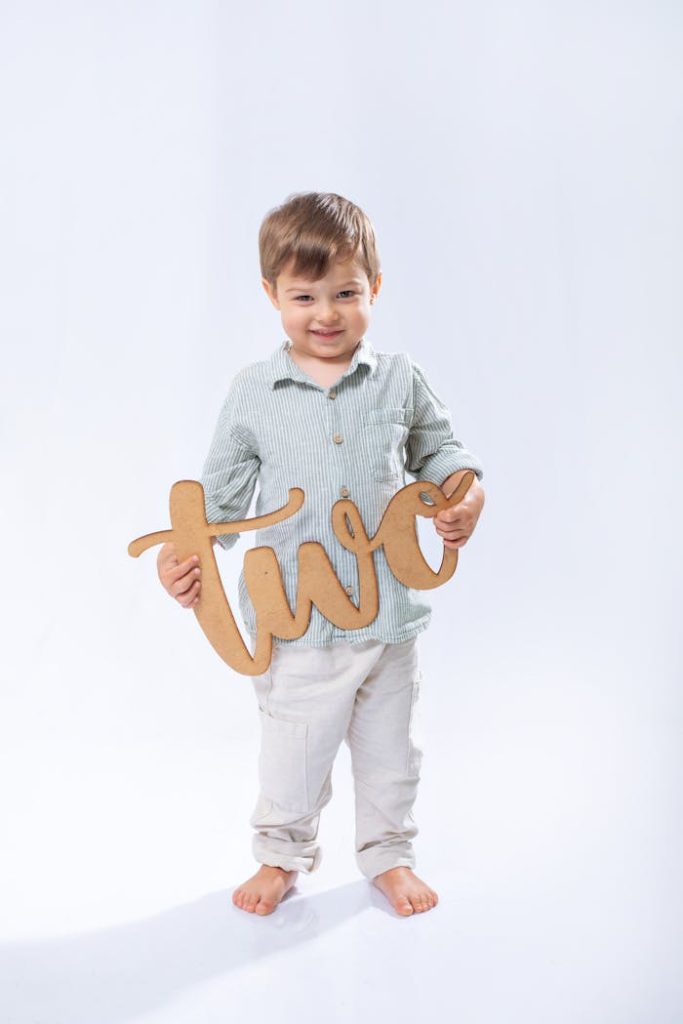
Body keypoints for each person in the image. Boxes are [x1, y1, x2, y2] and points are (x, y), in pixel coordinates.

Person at [157, 191, 485, 917]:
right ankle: (280, 852)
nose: (326, 313)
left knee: (392, 755)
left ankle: (388, 855)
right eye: (304, 296)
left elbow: (441, 452)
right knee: (292, 754)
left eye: (346, 292)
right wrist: (185, 559)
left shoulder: (399, 378)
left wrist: (462, 494)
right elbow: (215, 502)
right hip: (296, 619)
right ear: (271, 294)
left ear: (374, 287)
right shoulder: (252, 392)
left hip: (388, 615)